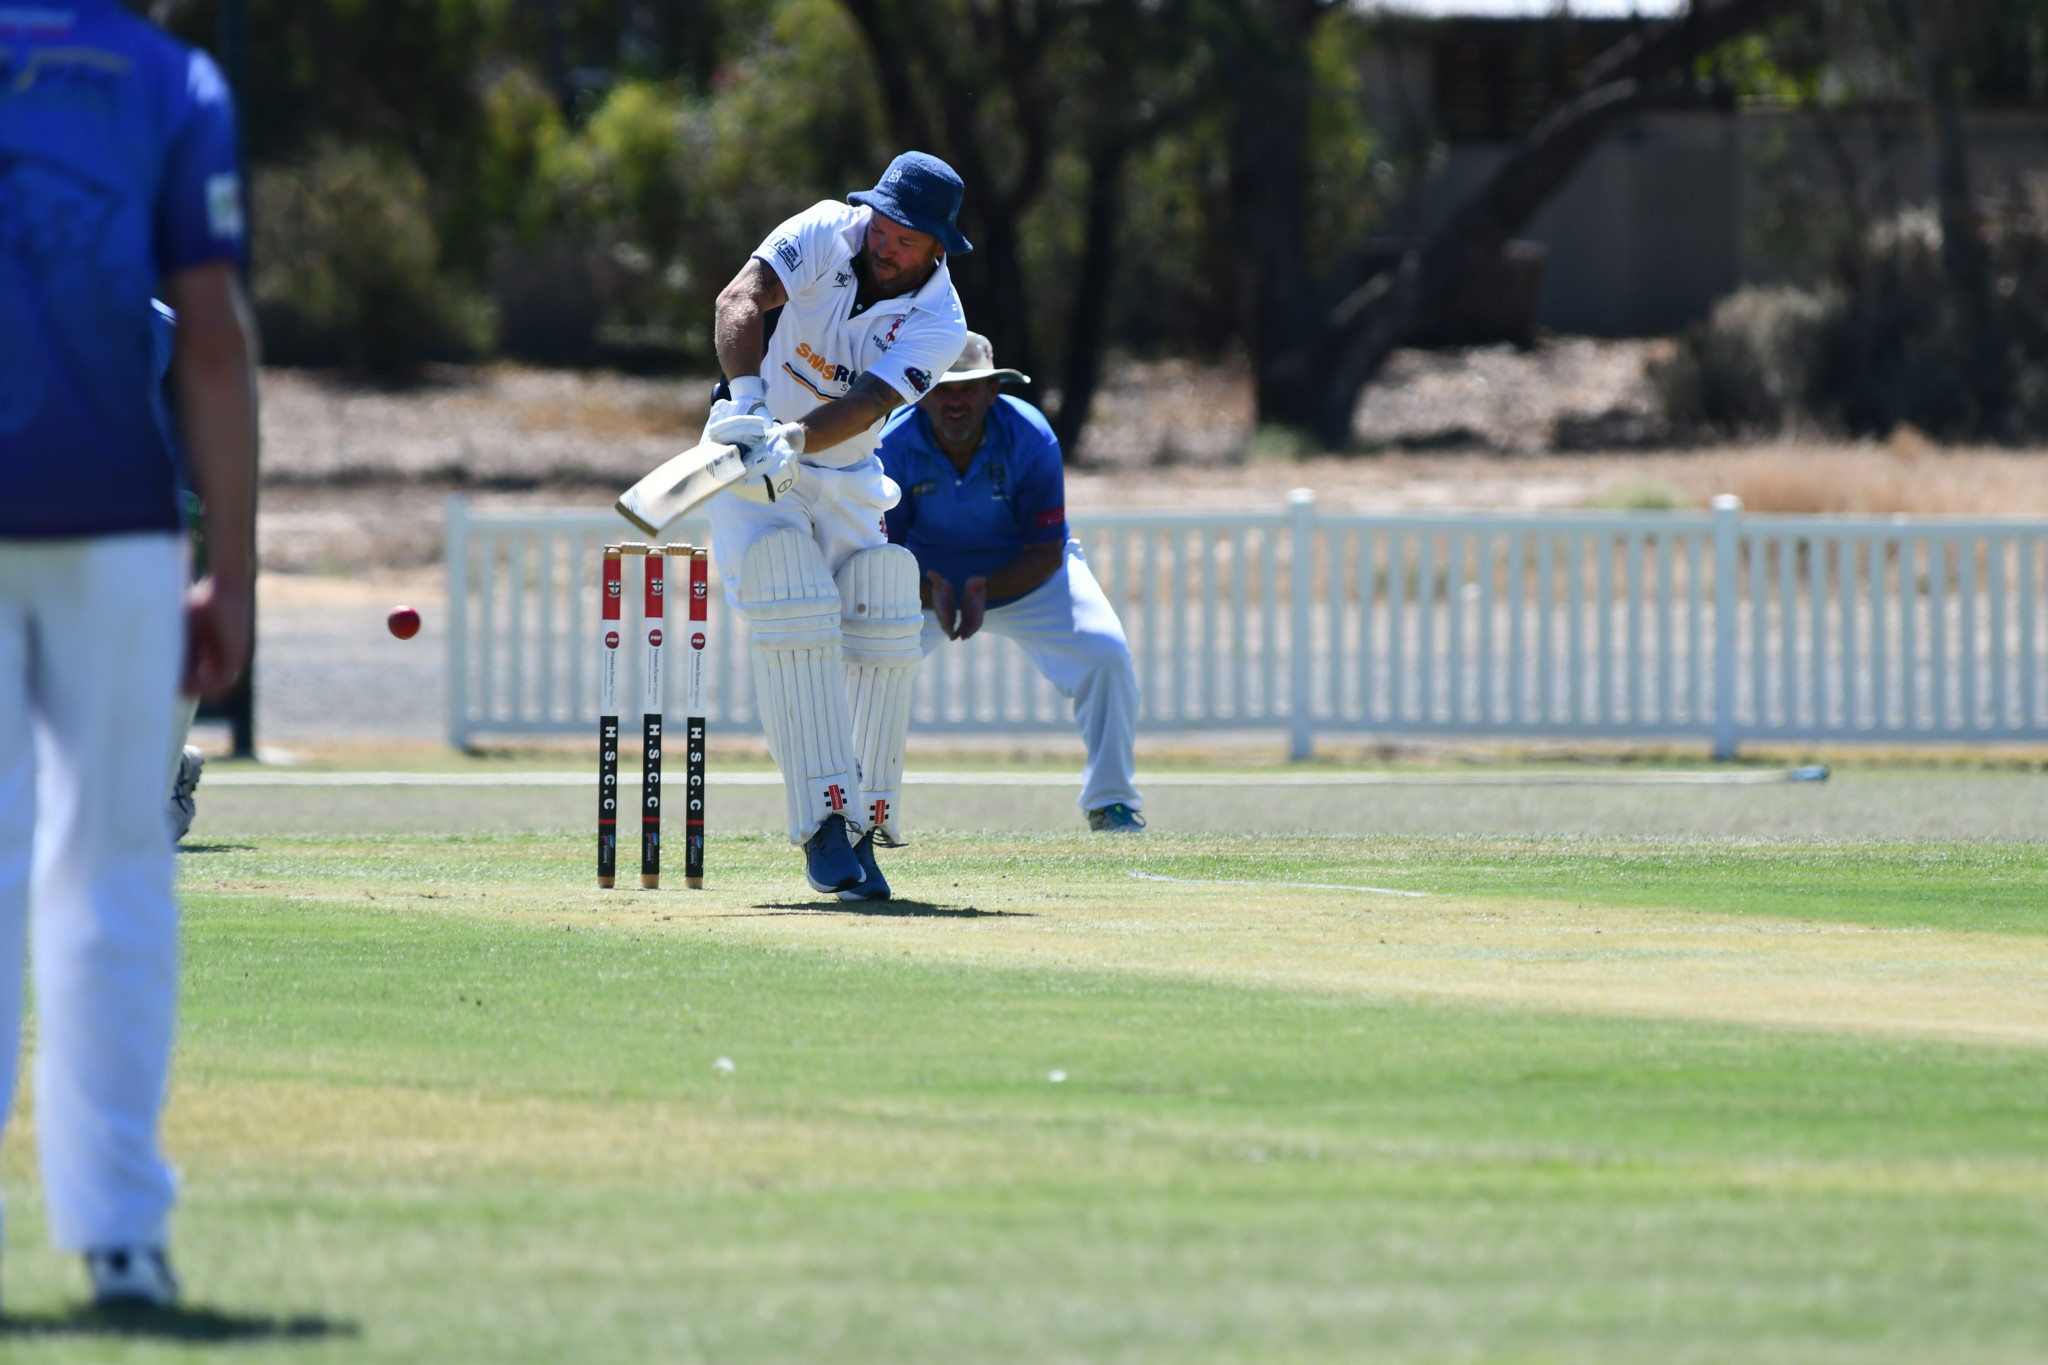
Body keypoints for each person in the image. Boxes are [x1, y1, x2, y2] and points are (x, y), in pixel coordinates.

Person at [0, 0, 258, 1308]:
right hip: (112, 527)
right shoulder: (172, 79)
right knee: (108, 873)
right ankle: (118, 1236)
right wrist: (236, 577)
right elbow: (210, 347)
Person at [700, 152, 970, 901]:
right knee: (792, 601)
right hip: (747, 452)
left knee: (885, 603)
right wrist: (753, 408)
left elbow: (868, 405)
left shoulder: (942, 322)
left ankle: (862, 824)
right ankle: (822, 824)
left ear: (938, 248)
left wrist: (794, 438)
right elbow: (738, 299)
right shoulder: (828, 228)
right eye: (883, 224)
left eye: (906, 238)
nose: (884, 242)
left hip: (844, 468)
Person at [877, 335, 1145, 832]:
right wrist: (929, 593)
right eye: (942, 388)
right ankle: (862, 808)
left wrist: (984, 588)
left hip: (1024, 576)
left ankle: (1111, 802)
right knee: (864, 668)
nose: (955, 400)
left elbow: (1045, 551)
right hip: (917, 584)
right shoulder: (892, 443)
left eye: (970, 388)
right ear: (921, 391)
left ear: (993, 391)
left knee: (1105, 653)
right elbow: (881, 554)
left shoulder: (1032, 436)